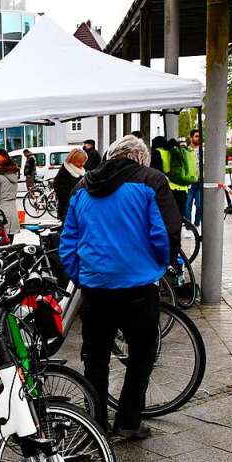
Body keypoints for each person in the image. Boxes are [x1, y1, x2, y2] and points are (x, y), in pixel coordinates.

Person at [59, 135, 182, 439]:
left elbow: (68, 240)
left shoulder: (83, 186)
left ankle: (95, 423)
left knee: (95, 358)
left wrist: (82, 275)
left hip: (95, 287)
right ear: (140, 158)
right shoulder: (151, 181)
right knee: (142, 354)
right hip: (138, 286)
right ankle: (128, 421)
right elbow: (166, 232)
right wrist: (158, 266)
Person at [150, 136, 191, 224]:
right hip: (183, 189)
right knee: (179, 217)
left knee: (166, 218)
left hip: (167, 190)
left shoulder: (158, 152)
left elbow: (155, 173)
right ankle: (177, 236)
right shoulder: (177, 151)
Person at [52, 147, 88, 226]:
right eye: (81, 162)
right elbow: (61, 191)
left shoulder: (80, 171)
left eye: (84, 162)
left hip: (79, 208)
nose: (83, 164)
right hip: (68, 209)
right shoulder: (64, 173)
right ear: (75, 161)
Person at [185, 129, 203, 226]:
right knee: (187, 206)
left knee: (200, 205)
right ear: (191, 137)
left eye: (200, 136)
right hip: (189, 182)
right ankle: (188, 227)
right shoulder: (186, 150)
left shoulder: (203, 150)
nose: (198, 138)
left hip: (200, 181)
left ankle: (197, 224)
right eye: (196, 136)